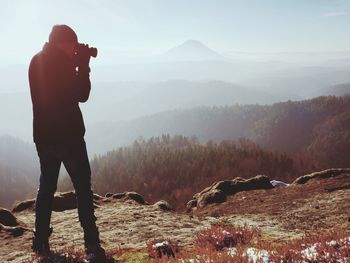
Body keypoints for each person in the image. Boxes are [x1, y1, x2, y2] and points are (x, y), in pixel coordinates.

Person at [28, 24, 106, 262]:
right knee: (83, 188)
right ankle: (92, 243)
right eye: (73, 43)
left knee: (47, 187)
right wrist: (83, 65)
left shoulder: (36, 61)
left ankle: (40, 240)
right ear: (62, 43)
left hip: (44, 137)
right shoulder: (62, 64)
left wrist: (75, 62)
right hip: (69, 138)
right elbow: (82, 93)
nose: (76, 47)